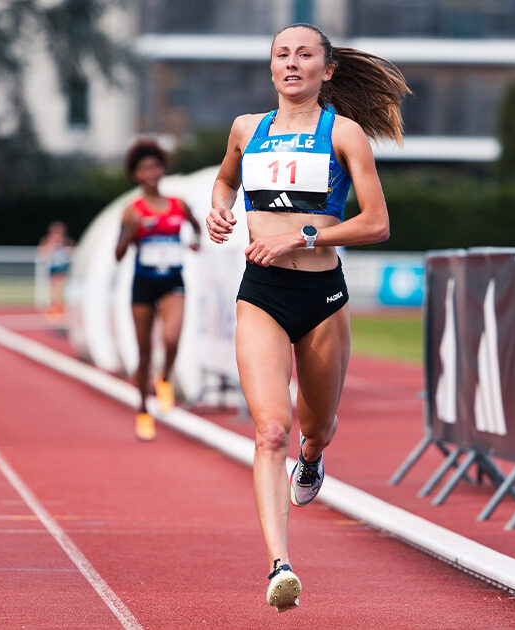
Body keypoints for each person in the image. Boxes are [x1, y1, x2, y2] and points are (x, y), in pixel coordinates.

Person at [205, 23, 409, 613]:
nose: (292, 63)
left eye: (304, 54)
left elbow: (376, 223)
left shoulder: (343, 134)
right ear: (271, 67)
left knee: (314, 427)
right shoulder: (247, 129)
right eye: (282, 54)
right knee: (271, 430)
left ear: (327, 69)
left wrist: (303, 235)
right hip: (262, 293)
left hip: (322, 297)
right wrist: (219, 210)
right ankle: (280, 566)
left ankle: (314, 458)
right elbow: (225, 180)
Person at [115, 139, 202, 441]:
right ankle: (142, 409)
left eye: (155, 166)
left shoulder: (178, 205)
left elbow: (196, 227)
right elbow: (118, 254)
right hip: (143, 283)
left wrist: (194, 243)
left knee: (172, 337)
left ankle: (164, 378)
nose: (151, 172)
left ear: (162, 169)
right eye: (144, 168)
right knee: (144, 352)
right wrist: (131, 231)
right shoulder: (131, 211)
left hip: (173, 280)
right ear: (136, 175)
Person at [37, 221, 74, 320]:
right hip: (52, 268)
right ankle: (54, 308)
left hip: (62, 268)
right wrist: (52, 244)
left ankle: (59, 309)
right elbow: (42, 253)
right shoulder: (48, 242)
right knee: (53, 290)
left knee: (59, 289)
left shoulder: (66, 242)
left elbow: (73, 252)